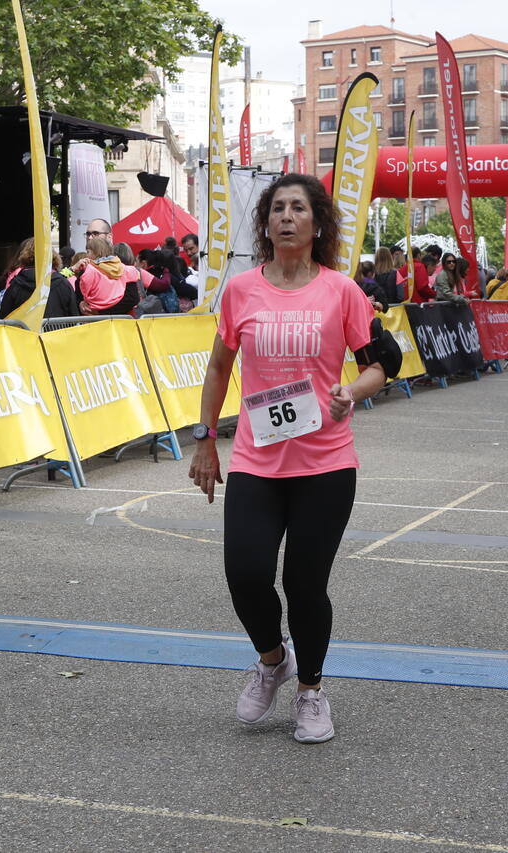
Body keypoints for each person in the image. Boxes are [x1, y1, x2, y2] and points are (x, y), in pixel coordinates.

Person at [188, 173, 392, 744]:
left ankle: (311, 691)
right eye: (277, 208)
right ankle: (273, 660)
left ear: (317, 223)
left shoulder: (342, 292)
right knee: (245, 575)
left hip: (326, 464)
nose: (286, 216)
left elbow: (380, 365)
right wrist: (205, 438)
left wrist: (352, 392)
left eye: (298, 208)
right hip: (257, 461)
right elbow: (218, 367)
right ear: (266, 222)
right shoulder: (241, 291)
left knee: (304, 585)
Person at [0, 238, 80, 321]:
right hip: (57, 329)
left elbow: (4, 315)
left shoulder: (16, 284)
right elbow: (74, 315)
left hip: (25, 329)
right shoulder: (64, 284)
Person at [70, 237, 141, 315]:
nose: (86, 255)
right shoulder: (125, 269)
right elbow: (133, 299)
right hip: (121, 318)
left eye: (88, 252)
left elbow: (132, 298)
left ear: (97, 252)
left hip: (95, 317)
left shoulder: (88, 272)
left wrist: (99, 312)